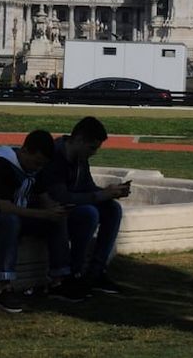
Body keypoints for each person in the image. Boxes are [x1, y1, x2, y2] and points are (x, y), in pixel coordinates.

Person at [0, 130, 83, 313]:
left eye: (42, 164)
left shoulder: (35, 169)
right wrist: (44, 214)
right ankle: (5, 288)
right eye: (36, 162)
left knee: (55, 220)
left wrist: (57, 211)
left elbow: (45, 198)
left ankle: (59, 280)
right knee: (11, 221)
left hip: (9, 218)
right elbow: (6, 208)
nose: (37, 168)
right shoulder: (1, 165)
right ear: (25, 151)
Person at [40, 116, 130, 294]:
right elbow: (61, 196)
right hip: (52, 207)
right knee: (89, 213)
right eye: (92, 148)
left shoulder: (80, 157)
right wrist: (100, 195)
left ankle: (96, 272)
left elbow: (87, 188)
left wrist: (109, 192)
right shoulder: (56, 156)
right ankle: (75, 272)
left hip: (72, 204)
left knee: (112, 209)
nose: (94, 152)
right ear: (79, 140)